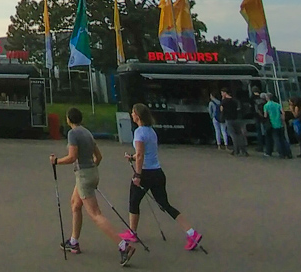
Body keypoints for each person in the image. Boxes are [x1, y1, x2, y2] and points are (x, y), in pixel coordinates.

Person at [50, 107, 136, 265]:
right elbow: (99, 156)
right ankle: (74, 241)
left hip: (84, 176)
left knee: (96, 215)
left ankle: (124, 246)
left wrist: (56, 161)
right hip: (91, 172)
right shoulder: (87, 132)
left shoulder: (73, 134)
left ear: (69, 119)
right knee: (75, 204)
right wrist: (90, 171)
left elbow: (72, 157)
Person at [124, 103, 204, 254]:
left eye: (133, 112)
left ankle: (132, 232)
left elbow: (140, 155)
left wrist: (138, 175)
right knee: (165, 204)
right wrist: (132, 157)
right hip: (157, 172)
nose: (131, 114)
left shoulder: (139, 132)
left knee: (133, 202)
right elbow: (144, 153)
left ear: (138, 116)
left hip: (145, 173)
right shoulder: (151, 131)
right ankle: (191, 232)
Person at [220, 88, 248, 156]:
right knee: (239, 134)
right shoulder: (235, 101)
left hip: (229, 119)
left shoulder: (224, 101)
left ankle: (236, 150)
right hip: (236, 118)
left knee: (233, 135)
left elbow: (221, 110)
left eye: (222, 93)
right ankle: (243, 150)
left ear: (225, 93)